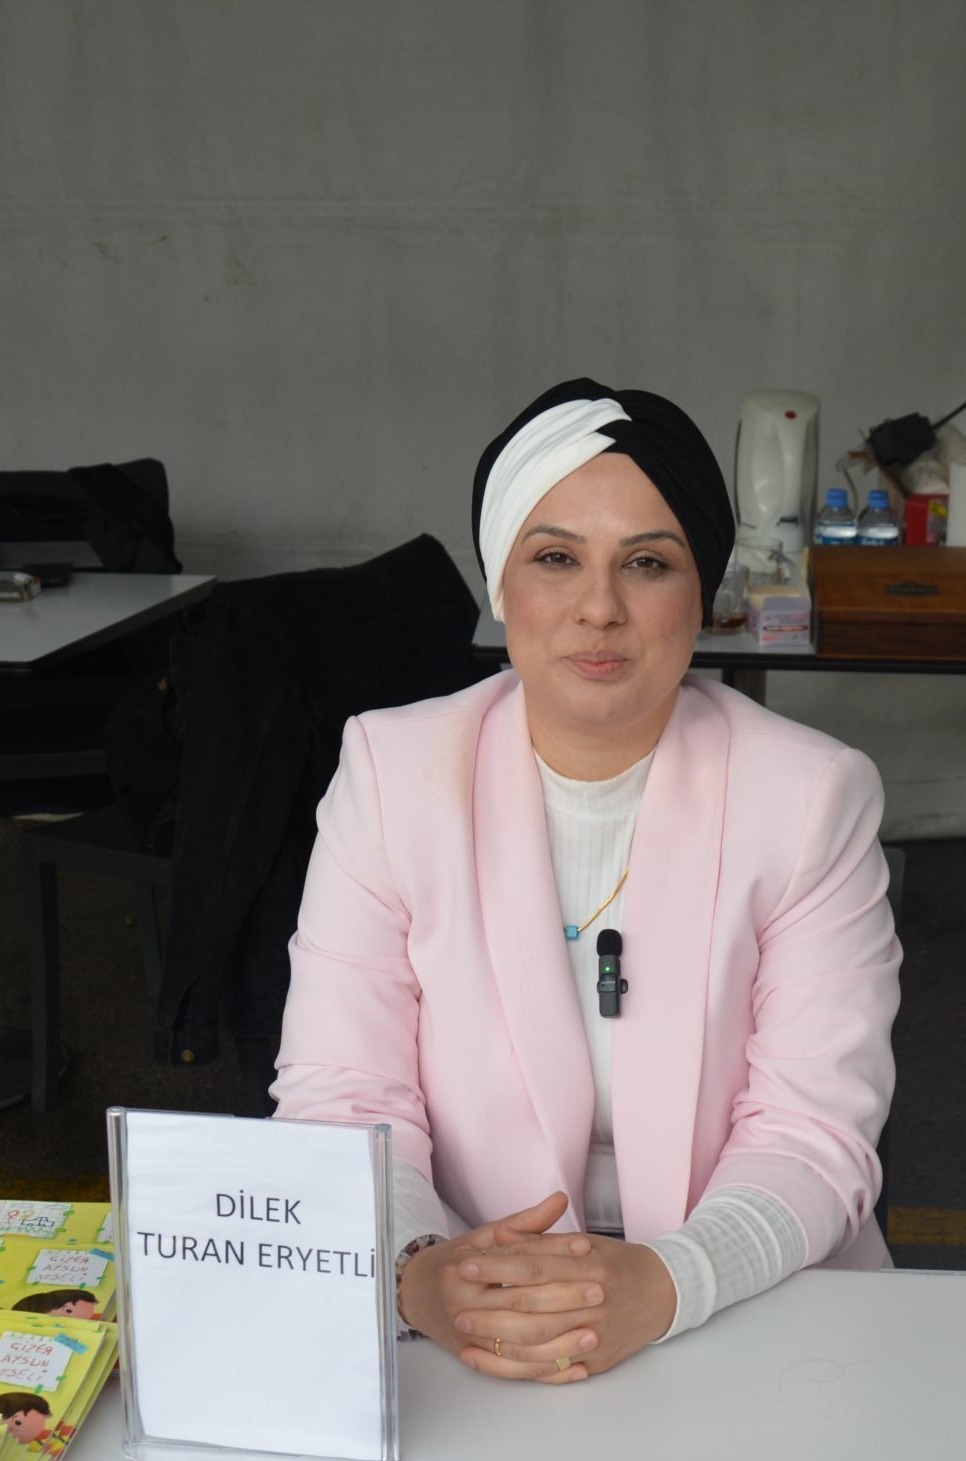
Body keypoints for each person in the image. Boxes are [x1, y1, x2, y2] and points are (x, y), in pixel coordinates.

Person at [273, 377, 902, 1383]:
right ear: (500, 583)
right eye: (555, 557)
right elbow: (345, 1095)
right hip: (474, 1311)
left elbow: (812, 1128)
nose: (599, 608)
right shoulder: (393, 776)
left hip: (750, 1301)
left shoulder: (810, 797)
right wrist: (416, 1271)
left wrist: (670, 1280)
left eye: (647, 564)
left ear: (702, 594)